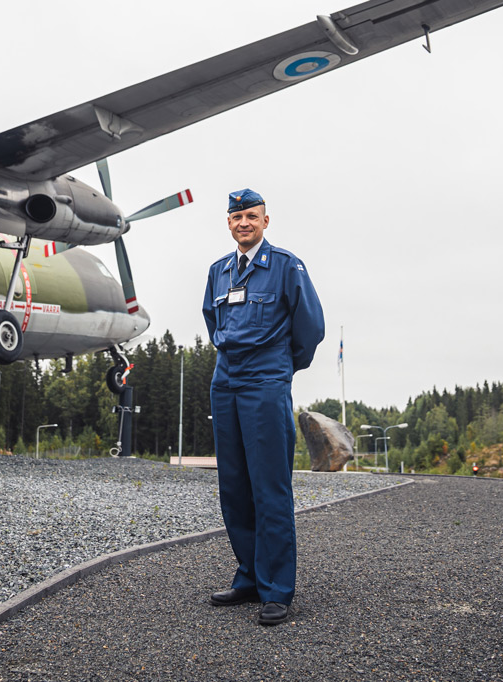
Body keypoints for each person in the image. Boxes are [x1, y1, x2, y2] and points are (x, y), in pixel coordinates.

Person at [202, 188, 325, 626]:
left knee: (269, 487)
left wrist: (280, 369)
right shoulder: (219, 271)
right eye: (237, 217)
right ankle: (249, 577)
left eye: (252, 216)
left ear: (265, 221)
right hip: (226, 381)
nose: (244, 223)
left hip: (266, 381)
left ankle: (277, 589)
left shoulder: (287, 267)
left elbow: (310, 328)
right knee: (234, 485)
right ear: (229, 223)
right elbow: (213, 321)